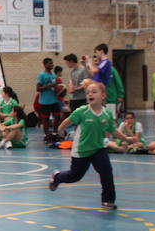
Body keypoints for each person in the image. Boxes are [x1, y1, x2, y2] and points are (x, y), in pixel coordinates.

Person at [49, 81, 128, 210]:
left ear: (103, 95)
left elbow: (112, 130)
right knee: (75, 176)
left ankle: (108, 200)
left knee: (106, 172)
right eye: (88, 92)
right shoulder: (82, 111)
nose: (90, 94)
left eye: (94, 92)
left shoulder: (107, 114)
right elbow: (67, 122)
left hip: (98, 148)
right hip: (82, 150)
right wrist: (60, 130)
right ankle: (57, 177)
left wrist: (127, 139)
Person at [36, 58, 59, 135]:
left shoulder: (54, 75)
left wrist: (58, 88)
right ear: (45, 65)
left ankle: (55, 133)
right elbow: (38, 88)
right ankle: (47, 135)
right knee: (46, 118)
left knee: (57, 116)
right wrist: (49, 85)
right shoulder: (42, 75)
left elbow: (55, 87)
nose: (52, 65)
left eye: (52, 63)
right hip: (45, 101)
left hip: (54, 100)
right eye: (50, 63)